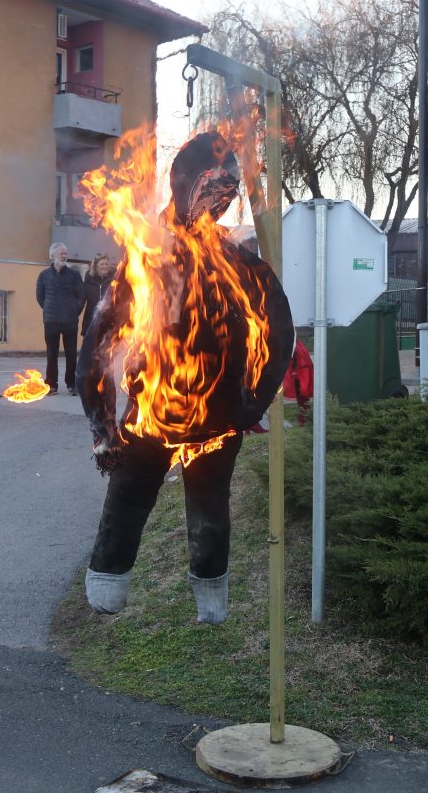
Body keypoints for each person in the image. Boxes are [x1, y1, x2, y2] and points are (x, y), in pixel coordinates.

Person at [77, 131, 294, 624]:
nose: (218, 203)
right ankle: (109, 578)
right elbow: (98, 342)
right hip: (151, 417)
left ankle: (210, 594)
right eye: (211, 188)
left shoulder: (239, 263)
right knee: (129, 496)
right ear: (184, 185)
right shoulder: (145, 256)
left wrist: (249, 404)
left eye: (227, 193)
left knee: (210, 507)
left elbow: (278, 331)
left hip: (217, 421)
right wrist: (102, 426)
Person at [35, 242, 84, 395]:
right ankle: (51, 385)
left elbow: (81, 296)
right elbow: (40, 297)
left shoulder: (74, 275)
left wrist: (74, 310)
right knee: (51, 354)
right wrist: (49, 309)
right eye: (61, 253)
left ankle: (72, 384)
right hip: (51, 321)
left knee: (71, 354)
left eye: (65, 253)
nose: (64, 256)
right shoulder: (44, 275)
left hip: (70, 321)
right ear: (52, 256)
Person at [80, 253, 114, 336]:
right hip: (91, 321)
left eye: (106, 264)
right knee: (91, 348)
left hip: (109, 323)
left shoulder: (113, 282)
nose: (105, 266)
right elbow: (80, 301)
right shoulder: (88, 282)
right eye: (102, 264)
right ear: (95, 266)